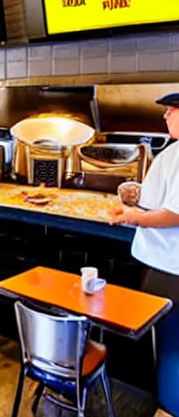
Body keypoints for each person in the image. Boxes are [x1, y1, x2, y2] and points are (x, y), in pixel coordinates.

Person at [111, 92, 179, 415]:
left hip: (170, 267)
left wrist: (132, 216)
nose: (166, 116)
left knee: (172, 346)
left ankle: (169, 408)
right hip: (168, 265)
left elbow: (175, 213)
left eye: (171, 110)